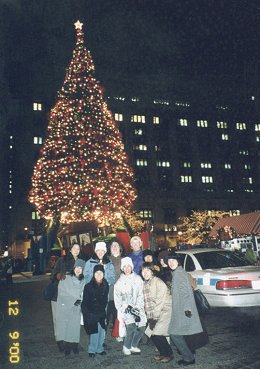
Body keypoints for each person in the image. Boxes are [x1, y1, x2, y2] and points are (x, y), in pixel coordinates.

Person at [167, 251, 203, 366]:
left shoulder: (179, 273)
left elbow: (186, 292)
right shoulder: (177, 272)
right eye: (169, 261)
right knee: (179, 333)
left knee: (174, 333)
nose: (171, 263)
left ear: (178, 262)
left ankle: (188, 358)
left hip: (183, 309)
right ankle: (189, 354)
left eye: (173, 260)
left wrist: (187, 308)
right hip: (181, 309)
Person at [50, 243, 81, 350]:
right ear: (70, 249)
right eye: (74, 248)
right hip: (58, 295)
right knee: (59, 319)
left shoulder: (81, 262)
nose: (76, 250)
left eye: (78, 249)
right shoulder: (62, 260)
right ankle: (60, 340)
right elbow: (53, 275)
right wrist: (58, 275)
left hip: (73, 296)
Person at [114, 257, 147, 355]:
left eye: (129, 266)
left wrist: (138, 306)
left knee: (141, 326)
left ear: (132, 267)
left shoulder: (138, 279)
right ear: (122, 269)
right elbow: (117, 299)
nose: (127, 268)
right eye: (125, 267)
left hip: (138, 307)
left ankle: (133, 345)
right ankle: (126, 346)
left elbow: (141, 294)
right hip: (126, 308)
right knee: (131, 327)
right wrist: (123, 308)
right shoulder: (119, 282)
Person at [141, 262, 173, 363]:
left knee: (156, 333)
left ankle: (169, 354)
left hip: (166, 310)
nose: (145, 273)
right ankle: (163, 353)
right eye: (143, 271)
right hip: (157, 311)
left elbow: (160, 302)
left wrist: (154, 318)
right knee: (151, 333)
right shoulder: (147, 283)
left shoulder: (158, 282)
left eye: (148, 271)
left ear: (152, 272)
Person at [55, 258, 86, 356]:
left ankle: (75, 345)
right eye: (77, 267)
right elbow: (61, 293)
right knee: (67, 326)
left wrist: (80, 300)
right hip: (66, 306)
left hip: (77, 307)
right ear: (74, 268)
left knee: (75, 326)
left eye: (81, 268)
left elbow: (84, 293)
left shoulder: (83, 280)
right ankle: (67, 346)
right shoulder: (66, 278)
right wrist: (72, 301)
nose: (78, 269)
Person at [81, 264, 109, 357]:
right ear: (93, 274)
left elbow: (105, 300)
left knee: (102, 331)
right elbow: (85, 302)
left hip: (101, 312)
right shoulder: (88, 286)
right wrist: (88, 314)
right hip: (91, 312)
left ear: (104, 274)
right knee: (94, 332)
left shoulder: (106, 285)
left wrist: (103, 311)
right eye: (97, 272)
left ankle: (100, 348)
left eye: (101, 272)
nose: (99, 274)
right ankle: (92, 350)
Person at [106, 238, 125, 340]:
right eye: (112, 246)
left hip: (120, 292)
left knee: (118, 314)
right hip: (108, 291)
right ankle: (101, 336)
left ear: (120, 248)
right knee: (106, 314)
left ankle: (118, 332)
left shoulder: (124, 260)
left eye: (116, 245)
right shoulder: (106, 259)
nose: (114, 247)